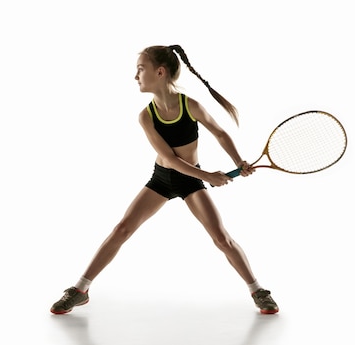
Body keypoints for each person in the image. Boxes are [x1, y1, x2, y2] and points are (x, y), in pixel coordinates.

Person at [50, 45, 278, 315]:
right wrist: (208, 176)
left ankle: (257, 290)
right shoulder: (146, 116)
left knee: (221, 239)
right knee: (122, 229)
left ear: (160, 72)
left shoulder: (189, 105)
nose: (136, 76)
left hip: (190, 182)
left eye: (140, 69)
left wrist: (237, 161)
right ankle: (80, 289)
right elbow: (168, 159)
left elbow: (219, 133)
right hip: (163, 178)